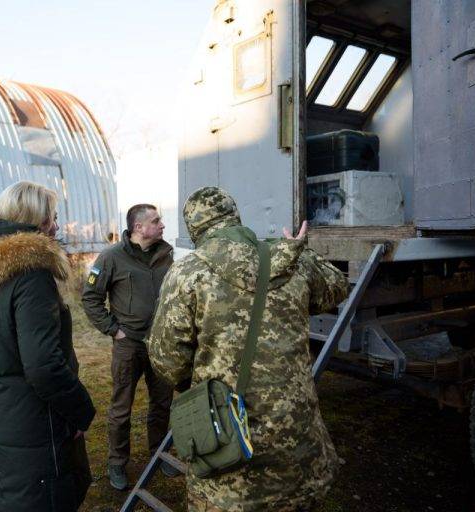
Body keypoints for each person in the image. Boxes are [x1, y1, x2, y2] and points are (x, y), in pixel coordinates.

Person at [148, 187, 350, 512]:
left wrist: (199, 382)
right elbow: (337, 287)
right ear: (235, 216)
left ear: (194, 229)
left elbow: (167, 361)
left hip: (227, 449)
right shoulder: (291, 260)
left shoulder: (187, 275)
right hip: (298, 450)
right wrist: (301, 250)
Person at [0, 181, 95, 512]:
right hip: (34, 416)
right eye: (53, 217)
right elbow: (43, 366)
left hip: (1, 407)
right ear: (37, 219)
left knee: (12, 492)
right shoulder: (31, 274)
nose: (58, 226)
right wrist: (80, 410)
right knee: (43, 496)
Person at [81, 204, 175, 490]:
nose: (162, 225)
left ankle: (159, 453)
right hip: (128, 345)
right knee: (121, 407)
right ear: (138, 228)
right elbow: (90, 298)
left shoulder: (166, 254)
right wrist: (113, 330)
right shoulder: (111, 257)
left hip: (159, 343)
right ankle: (117, 462)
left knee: (162, 403)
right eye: (156, 221)